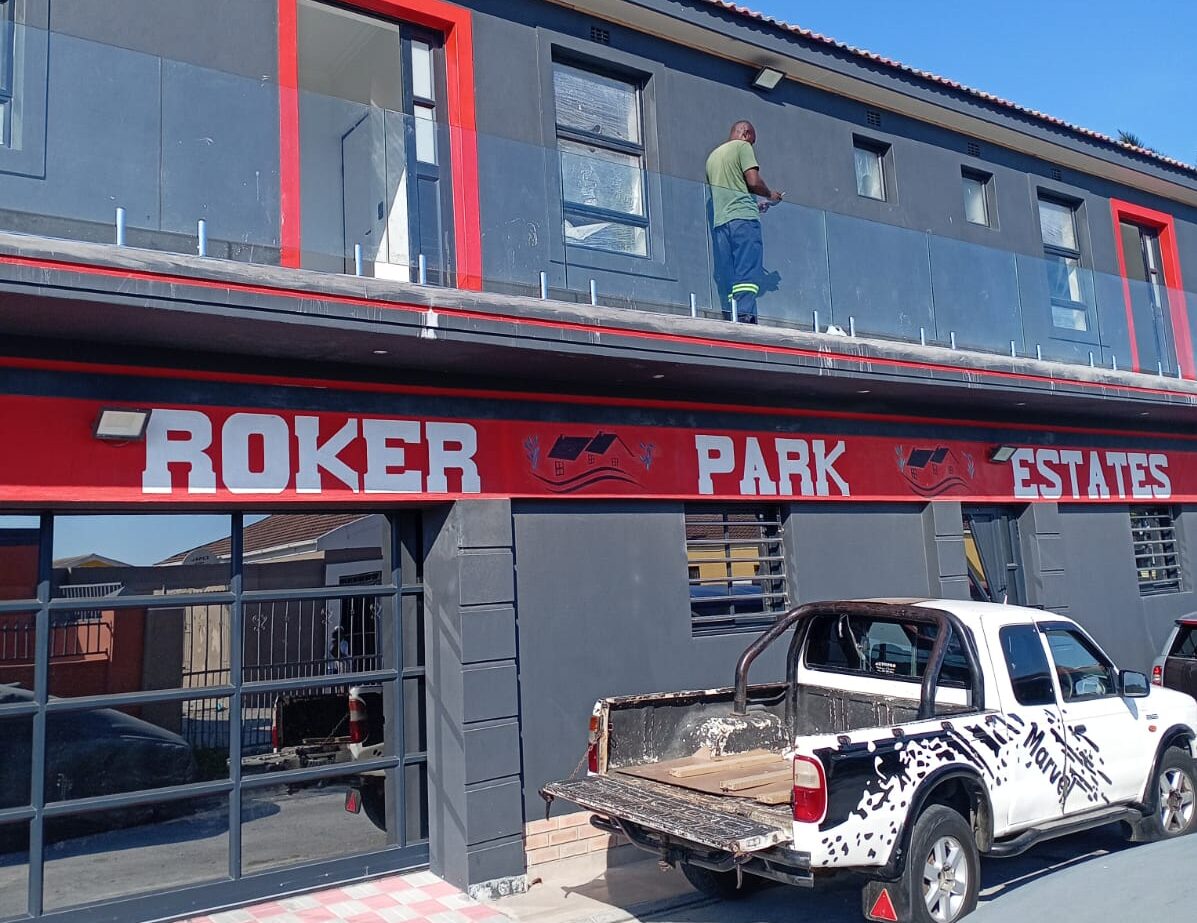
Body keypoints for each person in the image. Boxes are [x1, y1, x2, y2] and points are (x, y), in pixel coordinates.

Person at [705, 121, 784, 323]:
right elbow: (753, 181)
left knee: (730, 275)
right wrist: (770, 195)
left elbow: (730, 194)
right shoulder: (742, 147)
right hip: (744, 222)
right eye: (752, 141)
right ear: (745, 133)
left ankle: (732, 317)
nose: (751, 145)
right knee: (747, 273)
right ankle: (745, 319)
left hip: (721, 224)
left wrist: (755, 206)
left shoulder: (712, 158)